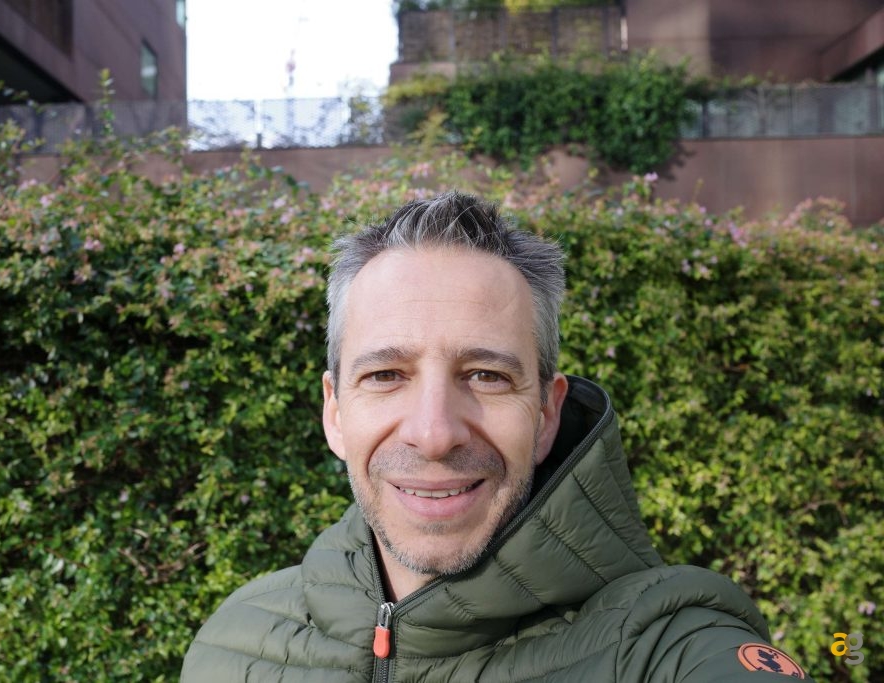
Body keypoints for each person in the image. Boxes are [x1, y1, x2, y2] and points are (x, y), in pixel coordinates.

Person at [181, 192, 811, 682]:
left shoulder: (662, 649)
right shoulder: (231, 645)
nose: (434, 434)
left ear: (545, 414)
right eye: (385, 375)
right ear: (335, 413)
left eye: (486, 375)